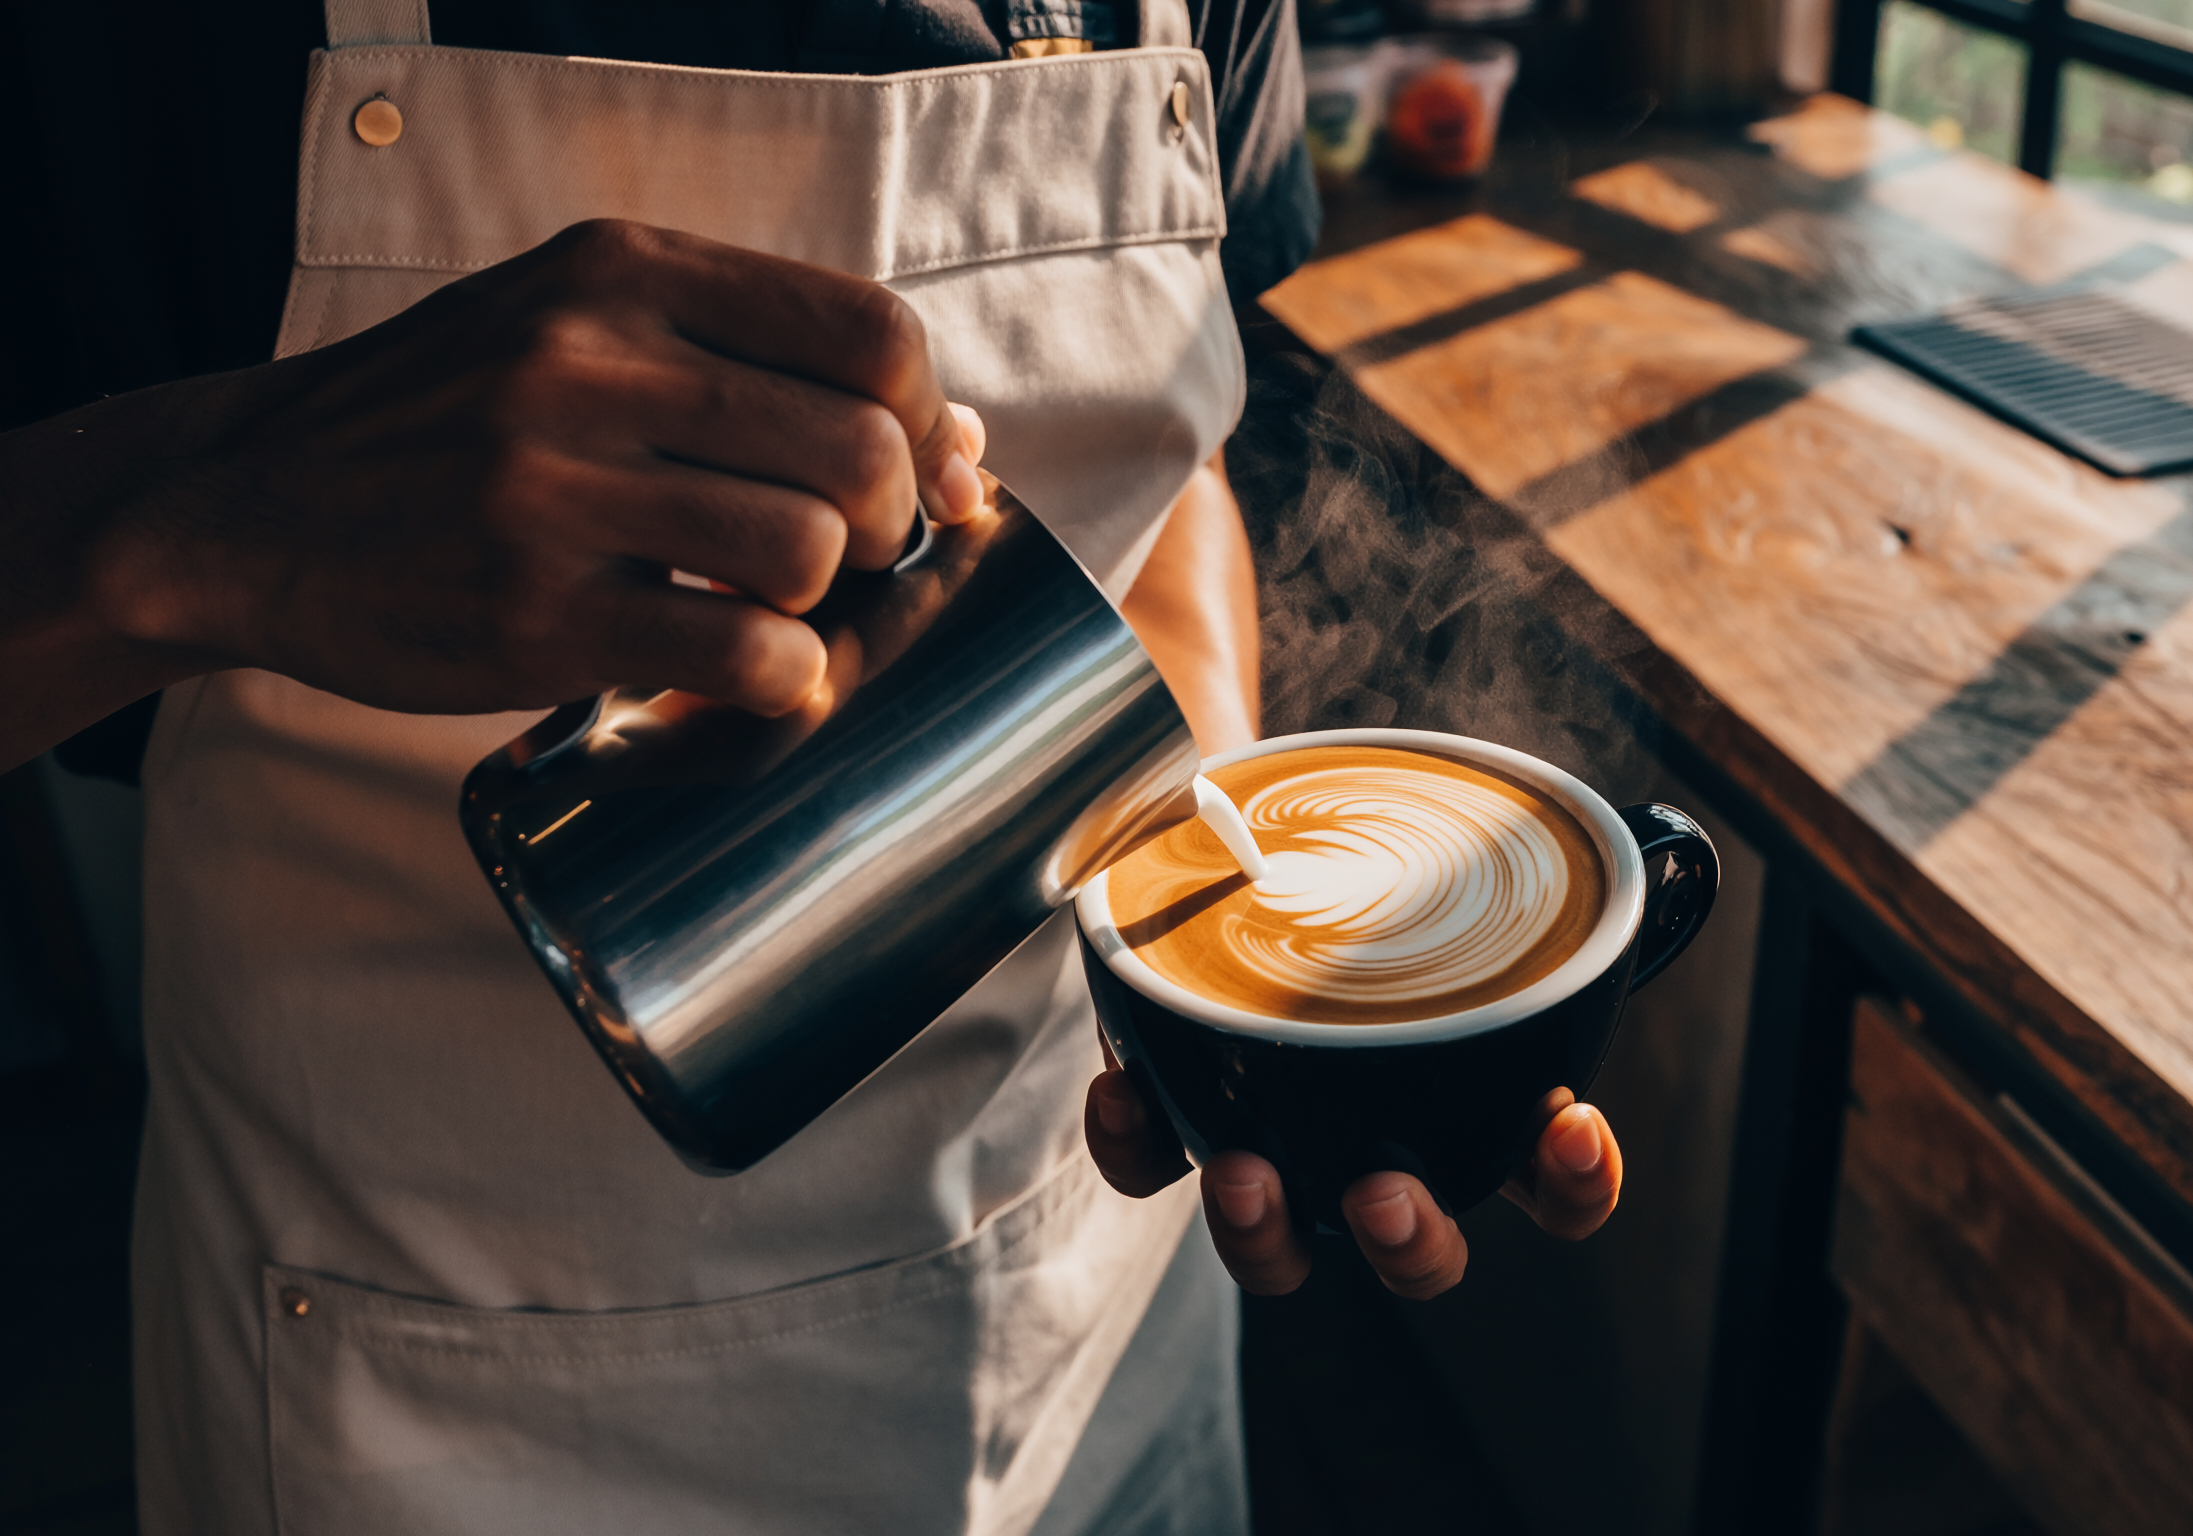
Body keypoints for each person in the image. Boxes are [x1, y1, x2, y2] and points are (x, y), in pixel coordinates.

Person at [0, 2, 1629, 1531]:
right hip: (431, 1399)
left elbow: (1168, 458)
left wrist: (1230, 1007)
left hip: (1097, 1324)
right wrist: (203, 518)